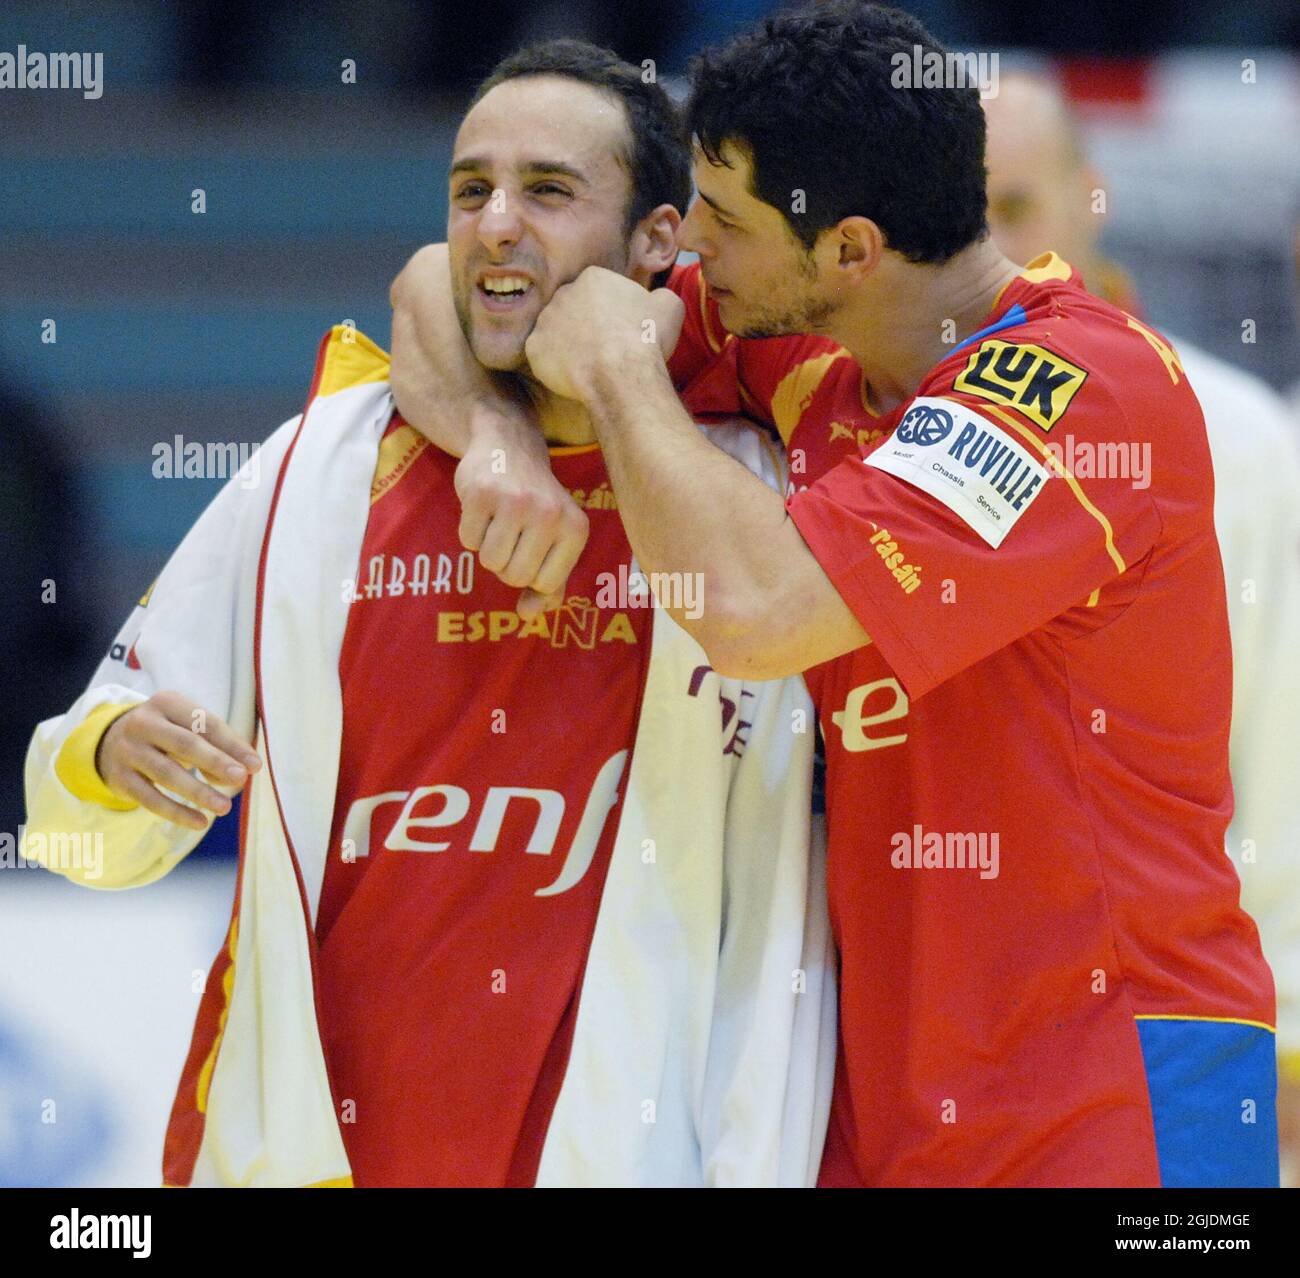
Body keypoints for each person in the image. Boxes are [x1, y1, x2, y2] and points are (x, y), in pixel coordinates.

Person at [390, 1, 1278, 1186]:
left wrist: (613, 368)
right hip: (887, 1092)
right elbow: (439, 291)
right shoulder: (816, 333)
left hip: (1112, 1088)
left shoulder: (1080, 390)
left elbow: (758, 610)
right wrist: (498, 442)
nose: (688, 245)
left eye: (726, 222)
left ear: (849, 249)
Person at [23, 41, 835, 1189]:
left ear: (660, 242)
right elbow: (69, 826)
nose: (496, 223)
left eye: (548, 191)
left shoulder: (750, 496)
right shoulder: (313, 471)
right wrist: (109, 753)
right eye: (470, 190)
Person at [983, 68, 1300, 1183]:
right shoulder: (877, 441)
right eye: (958, 215)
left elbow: (1277, 763)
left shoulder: (1241, 440)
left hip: (1175, 1046)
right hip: (945, 1056)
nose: (990, 253)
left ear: (1092, 200)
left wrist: (1285, 1052)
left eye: (1014, 210)